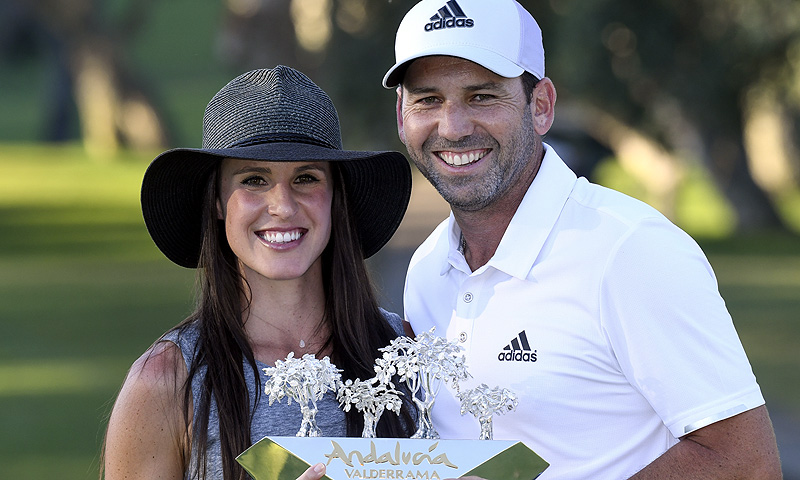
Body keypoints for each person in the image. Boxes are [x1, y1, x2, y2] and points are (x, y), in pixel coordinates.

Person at [383, 0, 783, 478]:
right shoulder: (428, 268)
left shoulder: (631, 250)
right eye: (428, 100)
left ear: (542, 106)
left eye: (482, 97)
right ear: (403, 115)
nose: (452, 127)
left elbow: (745, 464)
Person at [102, 66, 417, 480]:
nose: (283, 206)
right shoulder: (166, 381)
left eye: (306, 178)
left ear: (335, 197)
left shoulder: (403, 354)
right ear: (216, 201)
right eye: (254, 179)